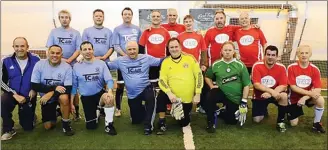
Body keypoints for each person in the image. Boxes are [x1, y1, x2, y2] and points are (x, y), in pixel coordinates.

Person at [107, 41, 162, 135]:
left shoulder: (146, 58)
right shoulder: (120, 60)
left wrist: (178, 54)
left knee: (151, 97)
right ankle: (147, 110)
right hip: (132, 94)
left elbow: (161, 61)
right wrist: (91, 60)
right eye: (129, 49)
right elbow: (105, 66)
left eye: (134, 49)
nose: (132, 51)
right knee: (136, 121)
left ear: (138, 49)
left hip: (146, 88)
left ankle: (148, 125)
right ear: (126, 50)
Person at [156, 37, 203, 135]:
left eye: (176, 46)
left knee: (183, 123)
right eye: (171, 47)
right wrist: (169, 93)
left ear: (180, 47)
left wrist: (198, 93)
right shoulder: (165, 62)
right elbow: (162, 79)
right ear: (168, 49)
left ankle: (180, 111)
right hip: (171, 95)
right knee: (160, 97)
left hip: (186, 98)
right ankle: (162, 122)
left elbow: (199, 76)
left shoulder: (190, 59)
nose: (174, 49)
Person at [204, 41, 251, 133]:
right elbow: (207, 76)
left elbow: (246, 84)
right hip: (221, 93)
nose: (227, 52)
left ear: (234, 51)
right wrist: (211, 86)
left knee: (231, 121)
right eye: (225, 50)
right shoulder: (216, 64)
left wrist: (244, 102)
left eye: (230, 50)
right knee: (210, 95)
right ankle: (211, 122)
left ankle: (221, 111)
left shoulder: (240, 65)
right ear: (221, 51)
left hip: (234, 98)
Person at [71, 41, 117, 135]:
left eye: (89, 49)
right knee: (91, 127)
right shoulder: (76, 66)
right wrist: (71, 103)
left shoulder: (101, 63)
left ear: (93, 50)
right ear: (81, 52)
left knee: (109, 98)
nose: (87, 51)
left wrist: (110, 91)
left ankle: (109, 125)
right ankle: (98, 110)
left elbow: (109, 80)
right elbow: (74, 86)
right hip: (86, 98)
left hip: (99, 94)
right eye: (85, 49)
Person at [1, 37, 40, 141]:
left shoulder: (36, 59)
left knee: (28, 127)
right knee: (3, 100)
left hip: (28, 95)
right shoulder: (5, 60)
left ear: (27, 47)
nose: (19, 49)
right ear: (13, 47)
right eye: (17, 46)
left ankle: (32, 116)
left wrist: (34, 89)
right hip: (12, 94)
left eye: (22, 46)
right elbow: (1, 81)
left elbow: (40, 76)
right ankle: (8, 129)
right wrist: (14, 94)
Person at [46, 9, 82, 120]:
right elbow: (49, 49)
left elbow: (78, 49)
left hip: (71, 64)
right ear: (59, 19)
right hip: (57, 65)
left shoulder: (76, 33)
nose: (64, 19)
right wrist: (60, 60)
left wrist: (69, 60)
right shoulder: (54, 32)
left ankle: (76, 111)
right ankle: (59, 109)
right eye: (62, 17)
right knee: (59, 87)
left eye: (66, 17)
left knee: (73, 89)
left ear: (70, 19)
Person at [31, 45, 74, 136]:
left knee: (64, 98)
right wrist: (53, 89)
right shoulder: (39, 65)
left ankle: (66, 124)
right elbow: (34, 85)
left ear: (61, 55)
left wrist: (52, 92)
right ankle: (58, 111)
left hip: (58, 95)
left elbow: (69, 87)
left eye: (58, 53)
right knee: (48, 126)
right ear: (48, 53)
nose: (55, 55)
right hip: (47, 99)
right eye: (52, 53)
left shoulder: (67, 67)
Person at [287, 45, 325, 133]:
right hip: (294, 98)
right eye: (301, 53)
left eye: (306, 53)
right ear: (298, 55)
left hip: (308, 97)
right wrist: (310, 94)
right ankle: (288, 111)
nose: (304, 55)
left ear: (310, 54)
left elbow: (318, 88)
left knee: (320, 100)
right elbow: (293, 87)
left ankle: (316, 124)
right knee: (293, 124)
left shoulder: (315, 69)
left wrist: (305, 97)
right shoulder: (291, 67)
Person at [112, 7, 142, 117]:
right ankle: (118, 108)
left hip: (135, 61)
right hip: (123, 62)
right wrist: (126, 56)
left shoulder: (137, 29)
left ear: (132, 16)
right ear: (122, 15)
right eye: (125, 14)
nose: (127, 16)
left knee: (135, 83)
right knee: (120, 85)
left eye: (129, 14)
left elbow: (140, 45)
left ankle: (136, 108)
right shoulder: (117, 29)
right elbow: (116, 46)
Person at [251, 45, 288, 132]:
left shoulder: (282, 67)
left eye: (273, 55)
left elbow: (283, 85)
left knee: (284, 96)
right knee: (257, 120)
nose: (270, 57)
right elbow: (257, 84)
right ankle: (263, 110)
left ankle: (280, 122)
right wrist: (271, 91)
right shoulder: (257, 65)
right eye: (268, 54)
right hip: (261, 95)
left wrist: (272, 93)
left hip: (276, 94)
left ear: (277, 57)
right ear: (264, 55)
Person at [177, 14, 208, 114]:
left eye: (190, 21)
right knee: (186, 86)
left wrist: (204, 64)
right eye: (186, 22)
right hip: (184, 67)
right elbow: (177, 51)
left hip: (197, 66)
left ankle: (200, 106)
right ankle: (186, 106)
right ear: (184, 24)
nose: (188, 23)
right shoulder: (180, 36)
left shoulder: (199, 36)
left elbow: (203, 50)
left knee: (199, 86)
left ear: (193, 23)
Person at [139, 10, 171, 90]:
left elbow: (169, 48)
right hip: (150, 63)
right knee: (151, 86)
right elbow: (141, 49)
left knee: (163, 85)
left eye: (157, 16)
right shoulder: (146, 32)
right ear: (151, 18)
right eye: (153, 16)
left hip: (162, 62)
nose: (155, 18)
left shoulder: (165, 32)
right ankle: (152, 102)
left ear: (161, 18)